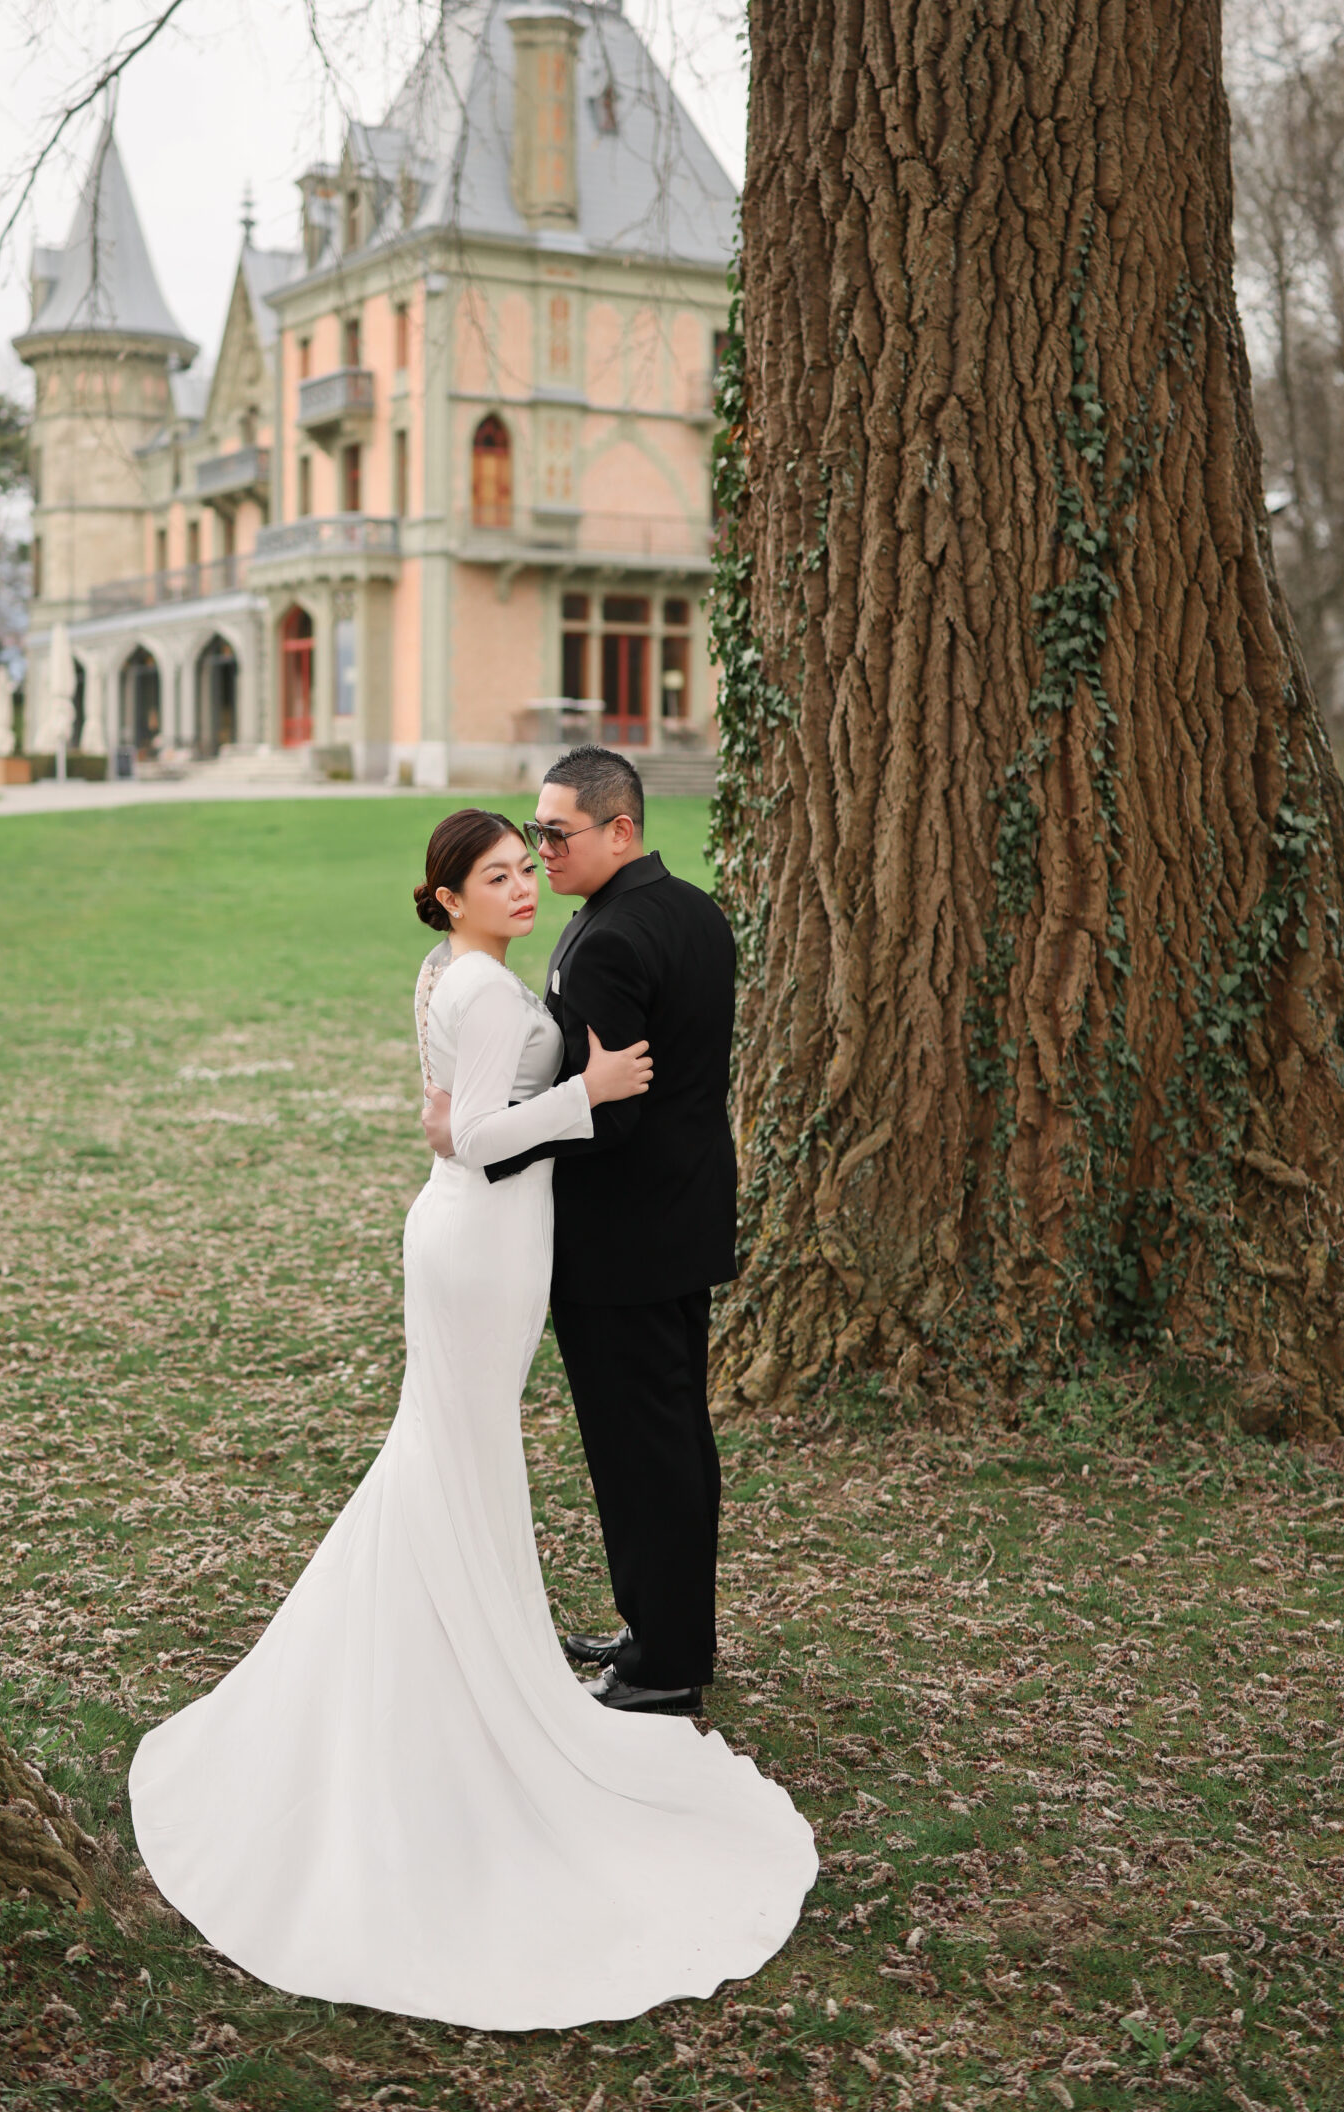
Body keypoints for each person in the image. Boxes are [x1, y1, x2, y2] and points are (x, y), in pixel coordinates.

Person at [128, 808, 816, 2029]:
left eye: (524, 866)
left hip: (460, 1231)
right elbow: (486, 1137)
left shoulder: (447, 973)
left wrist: (491, 1114)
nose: (522, 884)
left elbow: (446, 1115)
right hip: (486, 1238)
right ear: (449, 896)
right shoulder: (491, 991)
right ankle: (450, 1684)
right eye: (498, 874)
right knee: (456, 1451)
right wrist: (587, 1089)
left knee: (448, 1451)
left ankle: (446, 1658)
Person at [423, 746, 737, 1716]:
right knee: (674, 1440)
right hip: (685, 1217)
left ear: (621, 830)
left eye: (555, 835)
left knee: (640, 1452)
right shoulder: (695, 910)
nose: (543, 851)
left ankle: (665, 1666)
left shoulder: (604, 941)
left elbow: (612, 1114)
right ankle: (664, 1630)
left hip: (621, 1242)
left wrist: (480, 1145)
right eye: (536, 833)